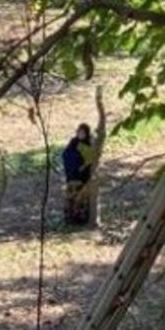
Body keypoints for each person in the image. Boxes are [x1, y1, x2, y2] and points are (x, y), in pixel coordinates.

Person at [62, 87, 107, 229]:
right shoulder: (73, 143)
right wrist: (74, 163)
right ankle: (70, 219)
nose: (80, 134)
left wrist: (84, 165)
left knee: (82, 200)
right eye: (79, 132)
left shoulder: (89, 143)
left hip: (83, 177)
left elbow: (92, 158)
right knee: (70, 198)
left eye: (82, 132)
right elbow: (66, 155)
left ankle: (81, 219)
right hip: (72, 177)